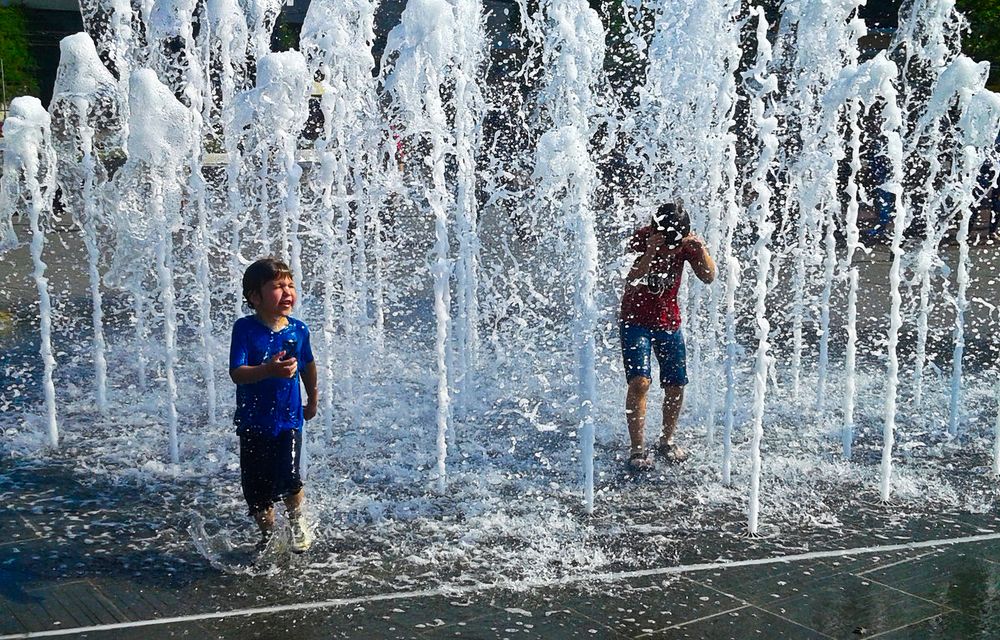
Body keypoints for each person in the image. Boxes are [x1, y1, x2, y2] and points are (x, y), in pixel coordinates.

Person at [229, 257, 318, 553]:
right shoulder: (244, 330)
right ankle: (267, 535)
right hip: (253, 422)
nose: (288, 292)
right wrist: (267, 370)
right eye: (278, 286)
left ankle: (295, 519)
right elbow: (237, 374)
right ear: (255, 297)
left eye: (290, 285)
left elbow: (308, 365)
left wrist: (313, 397)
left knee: (290, 477)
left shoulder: (298, 330)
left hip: (288, 419)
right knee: (256, 493)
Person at [619, 202, 716, 470]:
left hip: (668, 322)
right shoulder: (641, 238)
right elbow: (629, 277)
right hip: (635, 321)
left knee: (675, 383)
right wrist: (650, 252)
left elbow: (709, 277)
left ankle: (667, 440)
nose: (671, 248)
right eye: (666, 241)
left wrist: (702, 251)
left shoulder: (687, 245)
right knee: (640, 382)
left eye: (676, 241)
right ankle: (637, 449)